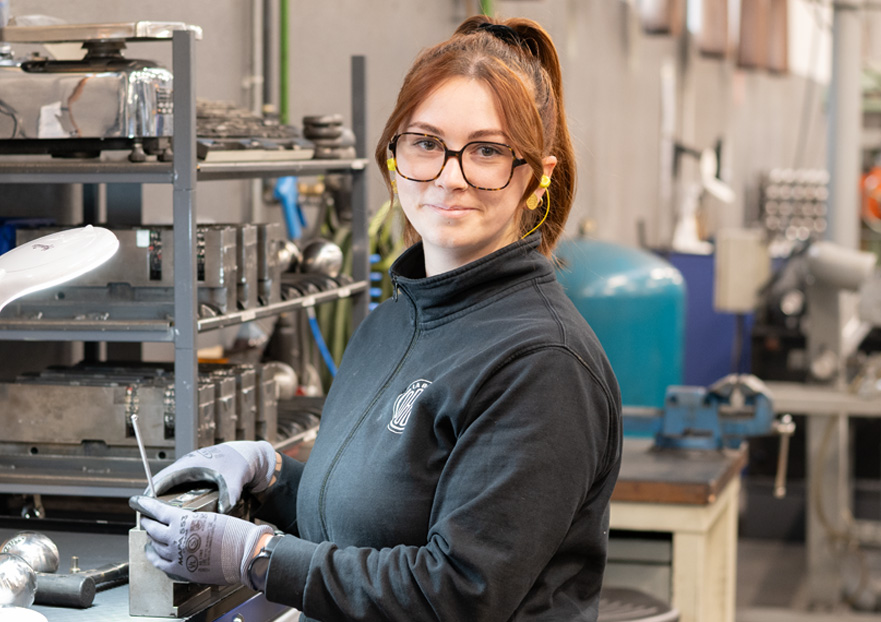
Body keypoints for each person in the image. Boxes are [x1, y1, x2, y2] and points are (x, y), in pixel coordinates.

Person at [130, 14, 623, 621]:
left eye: (488, 152)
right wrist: (272, 475)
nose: (449, 175)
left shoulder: (543, 362)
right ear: (393, 155)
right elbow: (370, 524)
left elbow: (459, 592)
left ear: (537, 177)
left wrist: (257, 557)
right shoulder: (392, 322)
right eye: (426, 142)